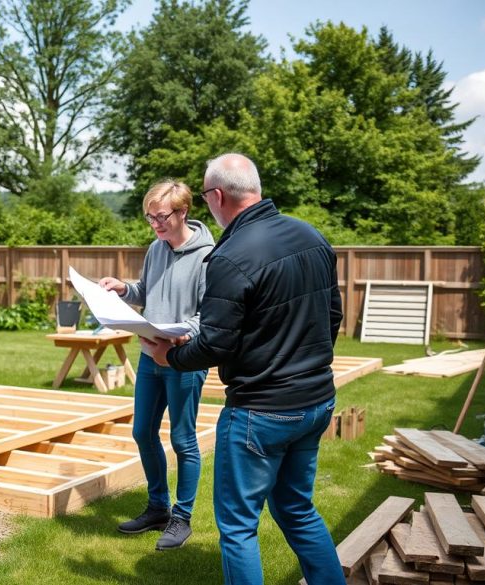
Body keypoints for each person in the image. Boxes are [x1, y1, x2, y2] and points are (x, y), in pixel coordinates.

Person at [143, 154, 344, 584]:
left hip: (260, 411)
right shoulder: (311, 235)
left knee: (237, 528)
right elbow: (332, 318)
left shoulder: (229, 256)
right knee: (298, 510)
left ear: (216, 197)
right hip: (316, 402)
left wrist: (169, 357)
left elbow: (215, 344)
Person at [98, 179, 214, 551]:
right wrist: (123, 289)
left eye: (161, 217)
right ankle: (158, 508)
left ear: (183, 212)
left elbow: (207, 315)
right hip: (150, 356)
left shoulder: (208, 256)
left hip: (184, 359)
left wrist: (180, 337)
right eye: (150, 218)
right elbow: (146, 291)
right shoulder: (156, 248)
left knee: (182, 439)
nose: (155, 225)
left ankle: (182, 517)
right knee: (142, 433)